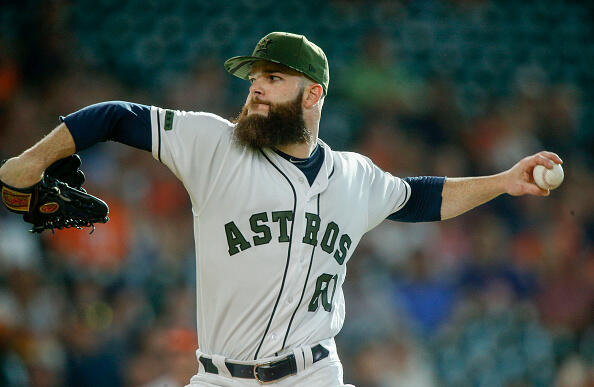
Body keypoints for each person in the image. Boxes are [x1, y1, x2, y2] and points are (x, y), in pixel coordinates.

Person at [0, 32, 562, 386]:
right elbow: (117, 116)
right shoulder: (214, 145)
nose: (256, 90)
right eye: (253, 80)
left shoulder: (355, 176)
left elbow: (422, 197)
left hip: (315, 374)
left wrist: (504, 181)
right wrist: (29, 161)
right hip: (221, 378)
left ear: (313, 94)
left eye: (273, 78)